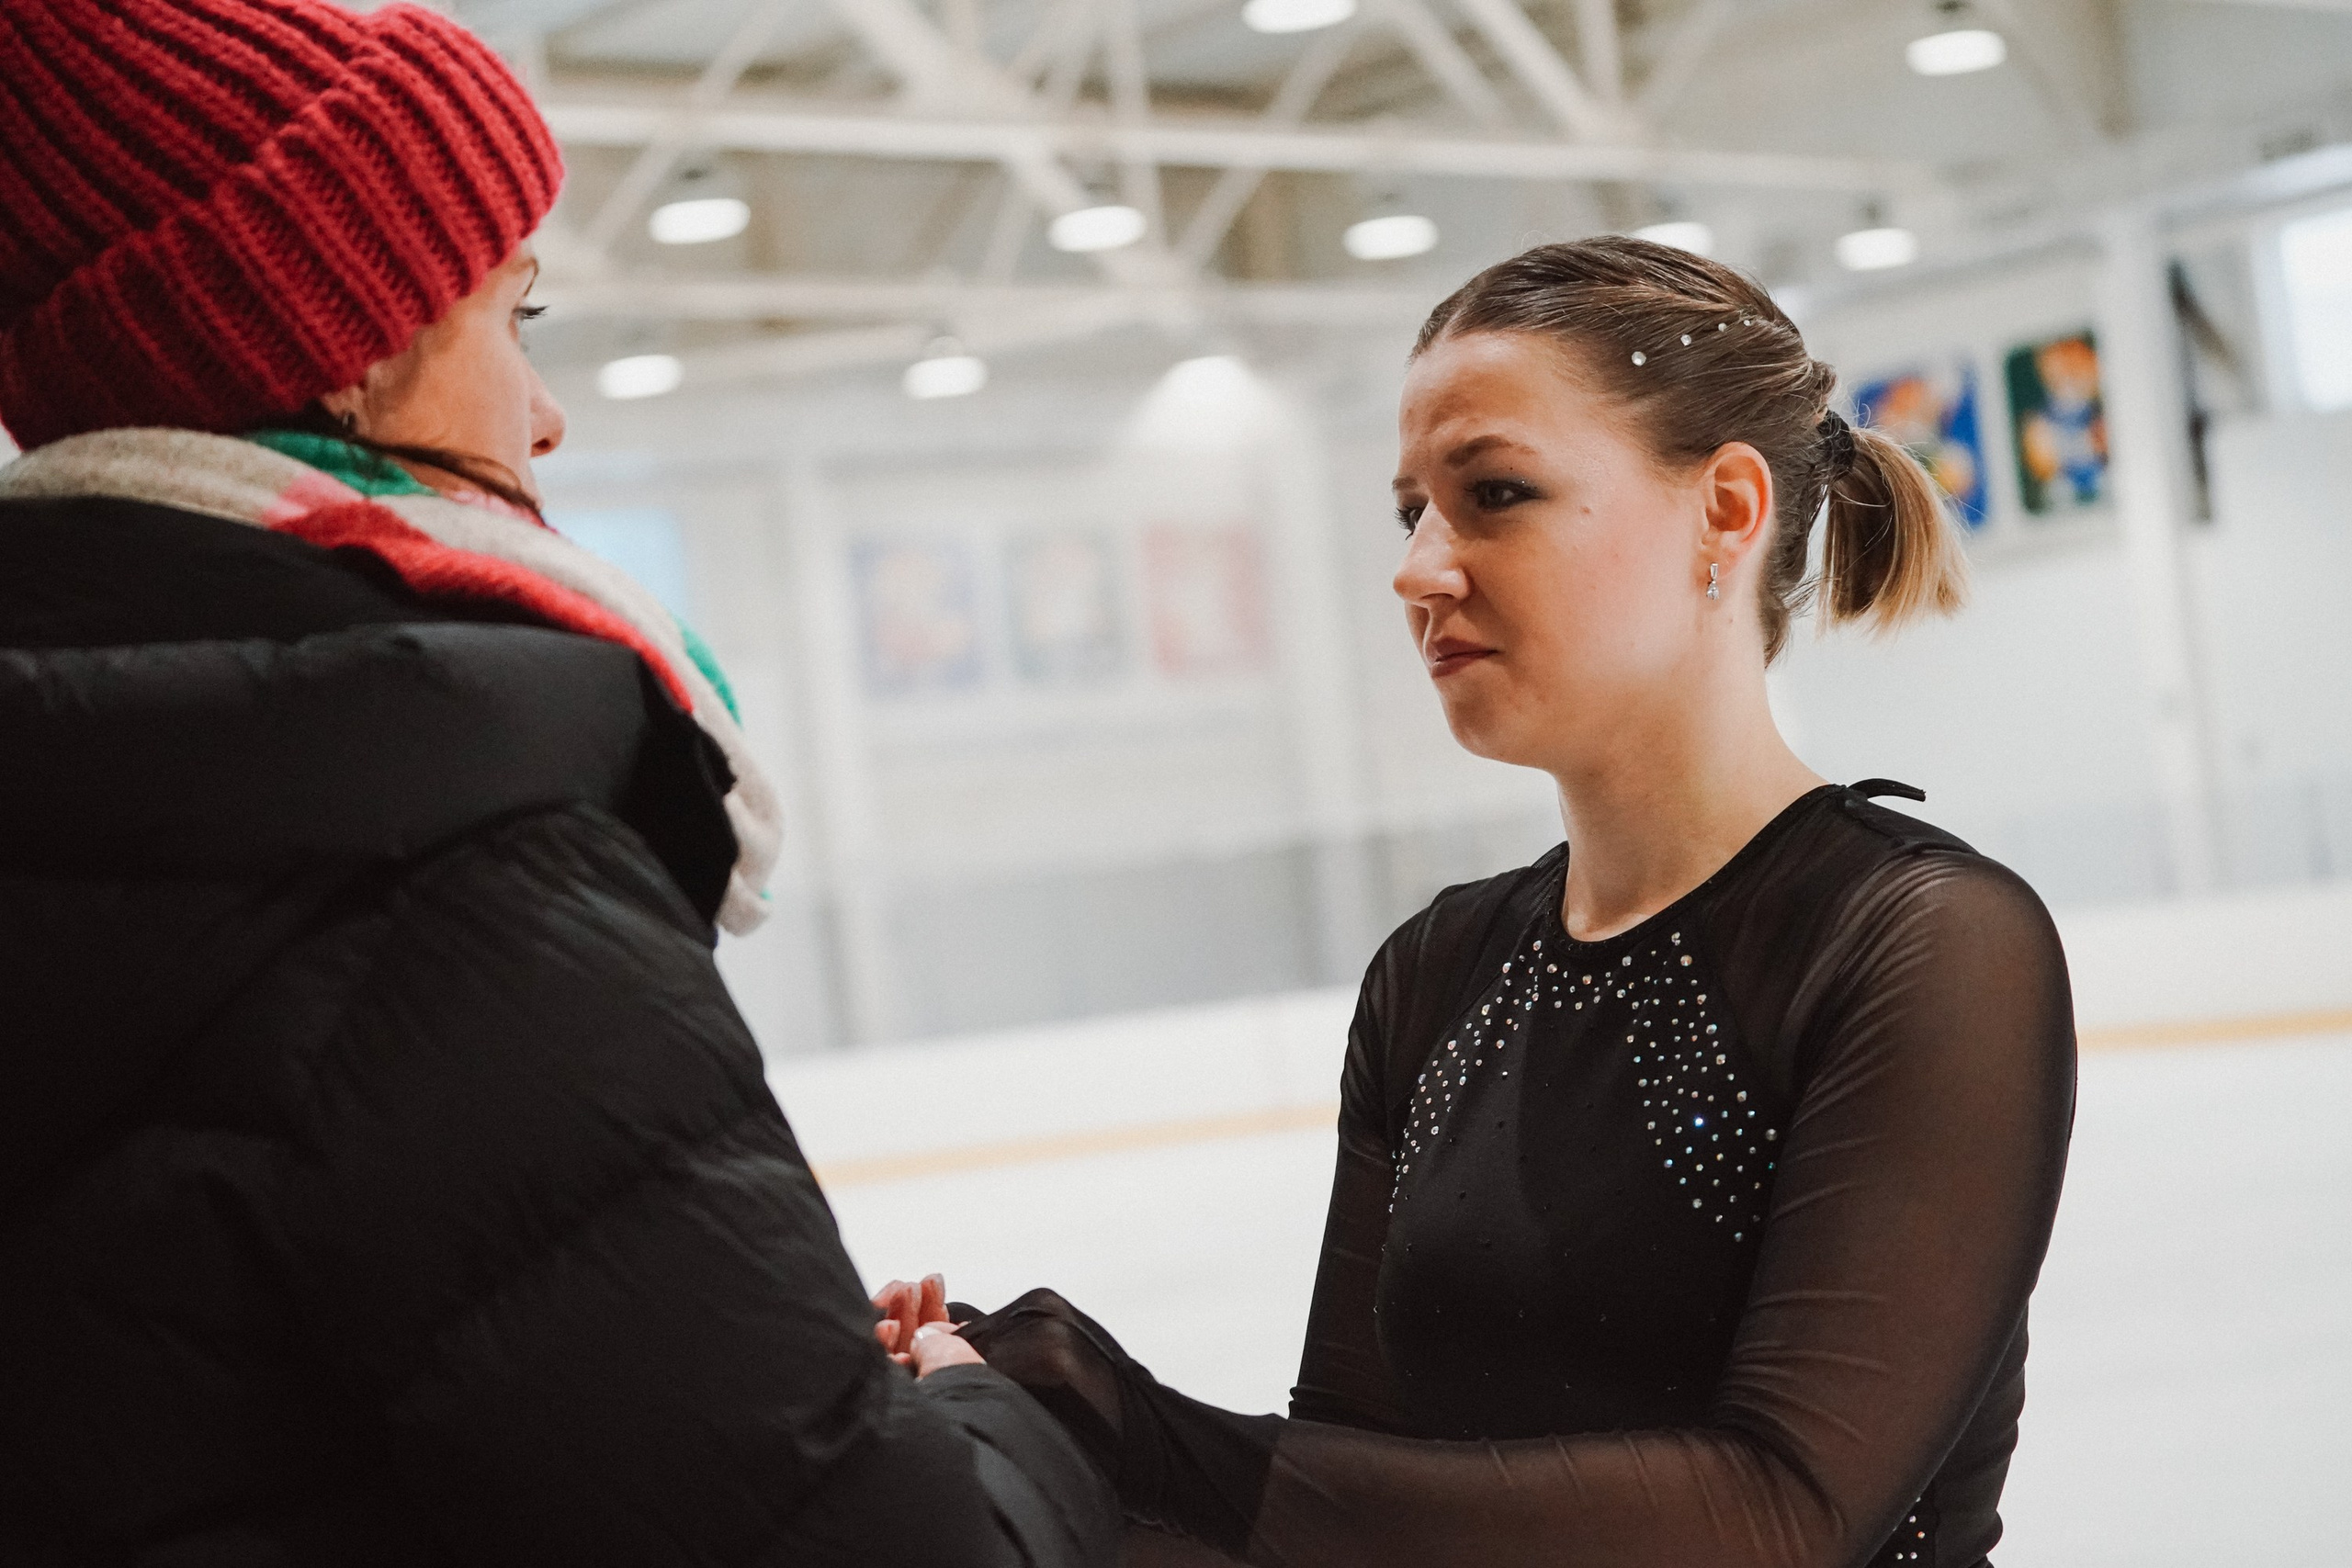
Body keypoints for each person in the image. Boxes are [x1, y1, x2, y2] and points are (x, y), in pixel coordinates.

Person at [0, 1, 1112, 1562]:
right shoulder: (442, 870)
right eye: (515, 318)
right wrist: (991, 1411)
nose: (546, 414)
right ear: (354, 348)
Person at [907, 239, 2079, 1568]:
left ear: (1726, 511)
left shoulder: (1917, 945)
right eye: (1411, 511)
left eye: (1496, 494)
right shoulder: (1436, 972)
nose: (1419, 569)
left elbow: (1778, 1518)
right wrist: (993, 1440)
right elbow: (1328, 1524)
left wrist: (1144, 1430)